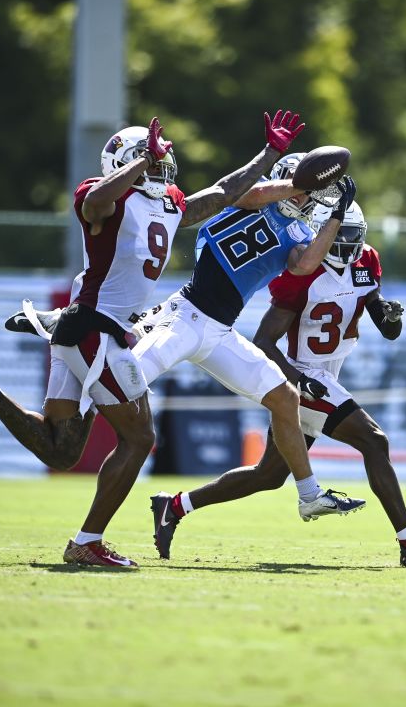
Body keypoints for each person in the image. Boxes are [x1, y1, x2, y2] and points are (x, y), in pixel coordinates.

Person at [0, 110, 307, 568]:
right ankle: (87, 542)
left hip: (86, 332)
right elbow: (94, 203)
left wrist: (270, 154)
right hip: (95, 330)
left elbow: (224, 193)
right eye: (150, 158)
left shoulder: (168, 203)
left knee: (61, 450)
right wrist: (140, 164)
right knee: (140, 437)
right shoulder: (104, 196)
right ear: (130, 161)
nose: (163, 164)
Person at [147, 201, 406, 567]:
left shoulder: (367, 262)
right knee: (374, 441)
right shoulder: (302, 274)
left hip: (326, 376)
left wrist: (391, 316)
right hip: (303, 374)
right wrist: (298, 381)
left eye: (354, 234)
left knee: (268, 475)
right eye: (340, 233)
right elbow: (264, 339)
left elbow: (385, 325)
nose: (348, 243)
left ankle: (174, 506)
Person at [125, 155, 367, 531]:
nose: (304, 199)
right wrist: (302, 181)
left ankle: (309, 496)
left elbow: (304, 265)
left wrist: (335, 214)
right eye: (300, 188)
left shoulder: (301, 232)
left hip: (219, 330)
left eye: (308, 193)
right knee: (124, 381)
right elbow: (248, 193)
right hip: (186, 315)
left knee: (286, 397)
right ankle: (72, 416)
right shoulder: (252, 197)